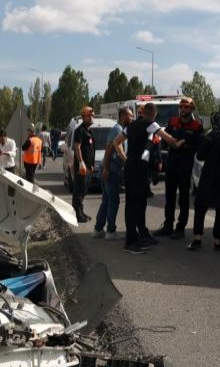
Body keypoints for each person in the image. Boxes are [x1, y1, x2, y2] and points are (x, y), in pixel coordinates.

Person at [113, 102, 177, 254]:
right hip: (136, 170)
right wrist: (178, 143)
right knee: (134, 204)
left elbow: (117, 142)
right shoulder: (150, 124)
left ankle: (141, 233)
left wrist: (125, 159)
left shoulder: (132, 125)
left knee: (139, 203)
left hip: (133, 168)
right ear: (154, 114)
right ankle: (130, 241)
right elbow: (168, 139)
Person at [155, 97, 205, 240]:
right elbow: (165, 140)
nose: (183, 109)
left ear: (192, 109)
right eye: (181, 107)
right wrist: (169, 145)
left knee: (183, 199)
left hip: (185, 166)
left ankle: (180, 228)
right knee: (169, 197)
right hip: (171, 165)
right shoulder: (173, 122)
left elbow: (199, 147)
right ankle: (168, 225)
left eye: (186, 107)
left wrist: (185, 146)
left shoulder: (197, 126)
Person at [190, 113, 220, 252]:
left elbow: (200, 155)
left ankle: (197, 239)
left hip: (209, 179)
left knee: (200, 207)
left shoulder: (210, 137)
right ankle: (217, 242)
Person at [94, 106, 132, 240]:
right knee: (113, 201)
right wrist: (106, 168)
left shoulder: (121, 130)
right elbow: (109, 149)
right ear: (123, 116)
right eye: (130, 115)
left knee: (106, 200)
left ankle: (98, 229)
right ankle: (110, 231)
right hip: (111, 169)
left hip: (110, 169)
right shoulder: (117, 129)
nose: (131, 118)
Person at [70, 107, 97, 222]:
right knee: (79, 191)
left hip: (88, 167)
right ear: (84, 117)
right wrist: (81, 163)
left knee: (84, 190)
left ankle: (80, 211)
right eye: (89, 116)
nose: (92, 118)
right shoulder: (79, 130)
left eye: (92, 116)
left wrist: (91, 165)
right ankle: (76, 214)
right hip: (82, 167)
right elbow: (77, 147)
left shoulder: (89, 130)